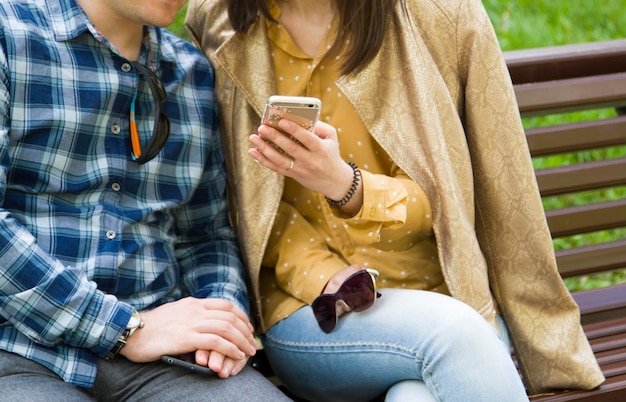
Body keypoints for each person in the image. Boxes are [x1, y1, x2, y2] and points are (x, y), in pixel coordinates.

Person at [185, 0, 605, 401]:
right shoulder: (219, 19)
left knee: (417, 394)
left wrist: (345, 185)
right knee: (457, 335)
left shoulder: (438, 13)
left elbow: (476, 190)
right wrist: (324, 276)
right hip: (313, 315)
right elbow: (246, 203)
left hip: (446, 292)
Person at [0, 0, 291, 401]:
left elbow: (204, 234)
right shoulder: (9, 34)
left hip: (166, 359)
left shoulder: (192, 73)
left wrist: (220, 319)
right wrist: (123, 327)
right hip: (18, 348)